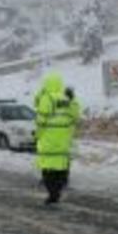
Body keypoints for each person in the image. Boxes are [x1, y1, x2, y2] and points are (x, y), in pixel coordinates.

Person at [34, 73, 80, 207]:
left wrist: (37, 135)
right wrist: (74, 99)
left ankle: (52, 194)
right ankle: (58, 190)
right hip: (63, 139)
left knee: (47, 168)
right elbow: (75, 116)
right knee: (60, 167)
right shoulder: (67, 99)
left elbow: (41, 120)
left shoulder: (46, 98)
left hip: (48, 139)